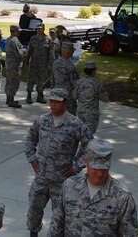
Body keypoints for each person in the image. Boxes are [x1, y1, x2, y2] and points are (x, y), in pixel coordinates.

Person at [25, 88, 93, 237]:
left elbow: (90, 145)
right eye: (51, 101)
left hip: (62, 180)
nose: (53, 105)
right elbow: (30, 138)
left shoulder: (75, 124)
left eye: (57, 102)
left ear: (66, 103)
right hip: (41, 177)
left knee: (61, 215)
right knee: (34, 209)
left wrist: (76, 166)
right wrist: (32, 159)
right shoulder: (42, 120)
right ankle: (33, 233)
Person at [47, 138, 138, 236]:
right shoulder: (69, 187)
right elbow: (56, 225)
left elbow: (130, 234)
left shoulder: (122, 197)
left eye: (104, 168)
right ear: (85, 161)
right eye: (96, 168)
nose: (100, 174)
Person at [73, 60, 109, 134]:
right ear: (93, 71)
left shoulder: (79, 82)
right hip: (91, 115)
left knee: (81, 134)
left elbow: (74, 96)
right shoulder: (97, 83)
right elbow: (105, 99)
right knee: (89, 136)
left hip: (80, 113)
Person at [24, 23, 54, 105]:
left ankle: (40, 96)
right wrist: (26, 61)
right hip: (33, 63)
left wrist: (50, 63)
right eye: (37, 29)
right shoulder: (33, 39)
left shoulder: (48, 39)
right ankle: (29, 95)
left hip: (43, 64)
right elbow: (29, 50)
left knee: (42, 80)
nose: (38, 30)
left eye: (40, 29)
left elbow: (51, 52)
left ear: (44, 29)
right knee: (31, 79)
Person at [52, 41, 80, 115]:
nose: (73, 52)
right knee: (70, 116)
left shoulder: (55, 63)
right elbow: (76, 83)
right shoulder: (71, 66)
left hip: (56, 94)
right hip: (68, 96)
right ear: (69, 51)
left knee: (57, 115)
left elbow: (52, 78)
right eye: (72, 50)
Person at [5, 25, 26, 108]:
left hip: (9, 65)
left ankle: (9, 98)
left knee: (9, 82)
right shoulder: (14, 41)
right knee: (14, 83)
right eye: (18, 31)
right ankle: (11, 100)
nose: (19, 33)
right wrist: (25, 50)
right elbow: (19, 54)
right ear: (15, 31)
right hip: (15, 66)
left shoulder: (8, 39)